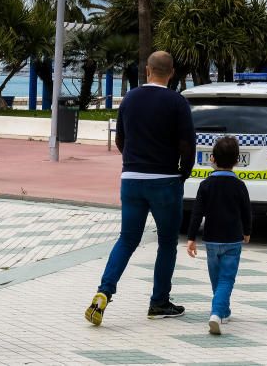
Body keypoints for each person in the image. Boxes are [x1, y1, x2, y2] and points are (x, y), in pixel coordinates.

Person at [85, 51, 196, 326]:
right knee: (167, 242)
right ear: (171, 73)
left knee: (127, 239)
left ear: (148, 70)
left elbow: (121, 139)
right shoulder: (177, 102)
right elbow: (187, 144)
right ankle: (159, 302)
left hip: (131, 179)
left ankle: (104, 292)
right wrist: (183, 173)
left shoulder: (130, 98)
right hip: (165, 180)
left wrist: (132, 161)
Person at [185, 136, 251, 336]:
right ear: (237, 161)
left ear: (212, 159)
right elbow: (246, 211)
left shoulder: (205, 185)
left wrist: (190, 238)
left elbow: (196, 213)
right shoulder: (240, 186)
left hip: (211, 240)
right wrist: (247, 232)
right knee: (226, 279)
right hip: (232, 240)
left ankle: (224, 311)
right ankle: (217, 313)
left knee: (216, 278)